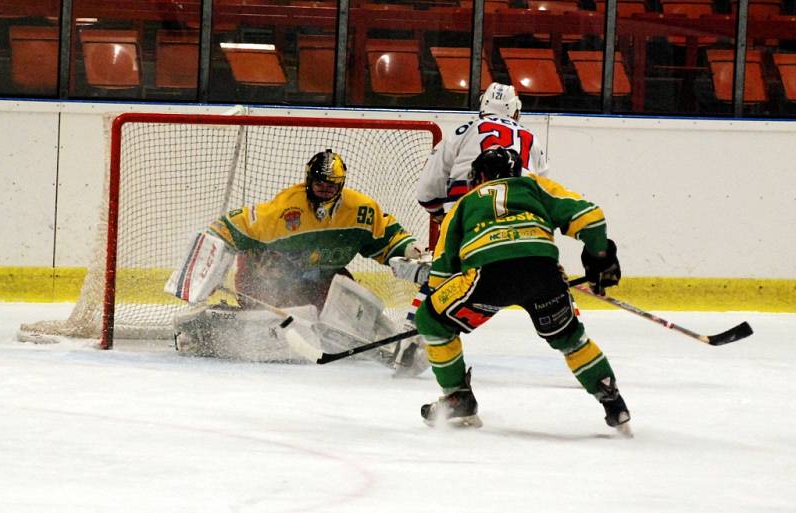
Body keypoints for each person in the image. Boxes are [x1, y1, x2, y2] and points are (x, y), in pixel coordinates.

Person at [396, 146, 629, 434]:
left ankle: (458, 398)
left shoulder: (464, 203)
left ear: (478, 176)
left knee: (430, 319)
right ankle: (613, 401)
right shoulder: (534, 186)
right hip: (542, 274)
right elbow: (590, 217)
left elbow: (443, 268)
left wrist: (436, 312)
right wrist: (600, 257)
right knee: (570, 338)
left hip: (488, 278)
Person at [165, 149, 428, 374]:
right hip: (264, 277)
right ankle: (200, 329)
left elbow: (390, 238)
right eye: (319, 183)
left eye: (332, 184)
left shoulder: (361, 211)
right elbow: (226, 227)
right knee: (282, 325)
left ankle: (395, 346)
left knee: (342, 310)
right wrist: (204, 270)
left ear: (341, 184)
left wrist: (410, 251)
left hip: (321, 278)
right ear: (308, 181)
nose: (325, 189)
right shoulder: (284, 211)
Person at [416, 82, 550, 225]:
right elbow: (543, 191)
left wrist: (440, 215)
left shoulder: (462, 131)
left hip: (467, 217)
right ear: (516, 110)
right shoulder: (533, 140)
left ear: (483, 104)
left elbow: (428, 189)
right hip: (519, 223)